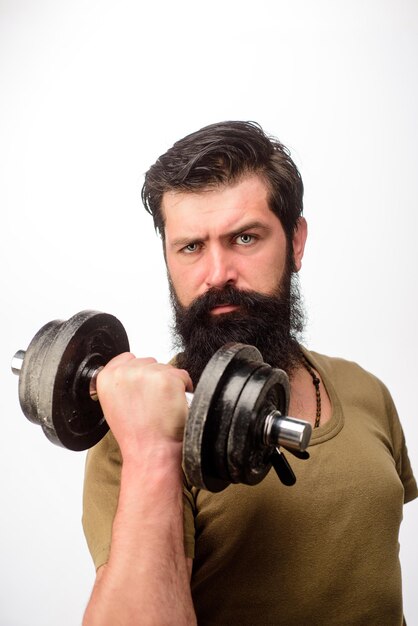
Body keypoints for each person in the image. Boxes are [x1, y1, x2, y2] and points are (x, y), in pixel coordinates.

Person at [82, 121, 417, 625]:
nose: (217, 274)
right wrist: (153, 451)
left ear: (295, 242)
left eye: (244, 237)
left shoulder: (365, 390)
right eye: (191, 246)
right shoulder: (134, 435)